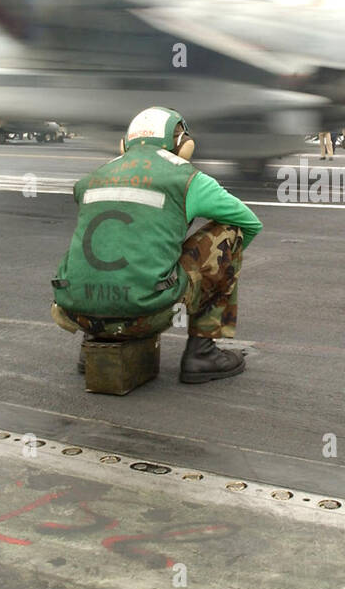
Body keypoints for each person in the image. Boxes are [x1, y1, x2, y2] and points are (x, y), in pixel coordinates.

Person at [51, 107, 262, 384]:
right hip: (148, 314)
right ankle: (202, 352)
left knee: (109, 240)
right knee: (230, 235)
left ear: (124, 145)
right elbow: (249, 223)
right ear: (183, 145)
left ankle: (95, 340)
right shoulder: (187, 178)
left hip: (77, 314)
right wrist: (213, 271)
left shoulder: (91, 179)